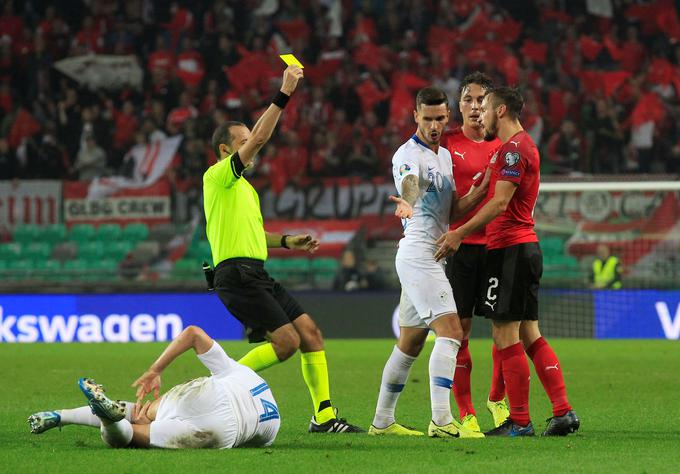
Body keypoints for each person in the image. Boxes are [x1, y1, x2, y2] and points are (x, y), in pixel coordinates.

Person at [203, 65, 362, 433]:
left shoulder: (244, 189)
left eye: (250, 138)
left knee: (310, 334)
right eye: (243, 141)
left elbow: (256, 234)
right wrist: (283, 95)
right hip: (235, 275)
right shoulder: (219, 176)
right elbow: (260, 139)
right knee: (287, 343)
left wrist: (289, 241)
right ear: (226, 150)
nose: (253, 142)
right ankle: (222, 385)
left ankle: (323, 416)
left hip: (254, 272)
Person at [435, 87, 580, 437]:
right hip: (523, 248)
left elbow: (500, 204)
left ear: (499, 111)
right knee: (530, 332)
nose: (478, 114)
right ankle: (562, 411)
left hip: (511, 251)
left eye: (483, 108)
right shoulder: (516, 147)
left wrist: (459, 232)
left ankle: (519, 420)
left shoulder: (514, 150)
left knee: (504, 334)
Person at [369, 86, 488, 438]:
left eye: (439, 118)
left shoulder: (445, 157)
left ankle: (382, 422)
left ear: (447, 117)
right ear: (415, 117)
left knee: (410, 343)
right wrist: (406, 202)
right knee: (451, 332)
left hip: (430, 254)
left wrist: (478, 193)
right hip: (420, 253)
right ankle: (440, 419)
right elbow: (408, 186)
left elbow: (450, 210)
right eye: (427, 118)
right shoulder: (408, 154)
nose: (434, 125)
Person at [28, 325, 280, 449]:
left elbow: (193, 332)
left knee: (138, 419)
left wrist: (155, 370)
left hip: (208, 395)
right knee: (134, 433)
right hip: (223, 431)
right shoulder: (274, 427)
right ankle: (108, 419)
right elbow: (257, 441)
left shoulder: (239, 371)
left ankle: (66, 416)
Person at [440, 71, 505, 432]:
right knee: (460, 333)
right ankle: (466, 412)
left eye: (482, 100)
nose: (476, 107)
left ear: (492, 105)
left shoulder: (502, 145)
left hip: (496, 248)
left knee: (503, 331)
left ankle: (497, 400)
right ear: (459, 105)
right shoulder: (446, 143)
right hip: (461, 250)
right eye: (469, 99)